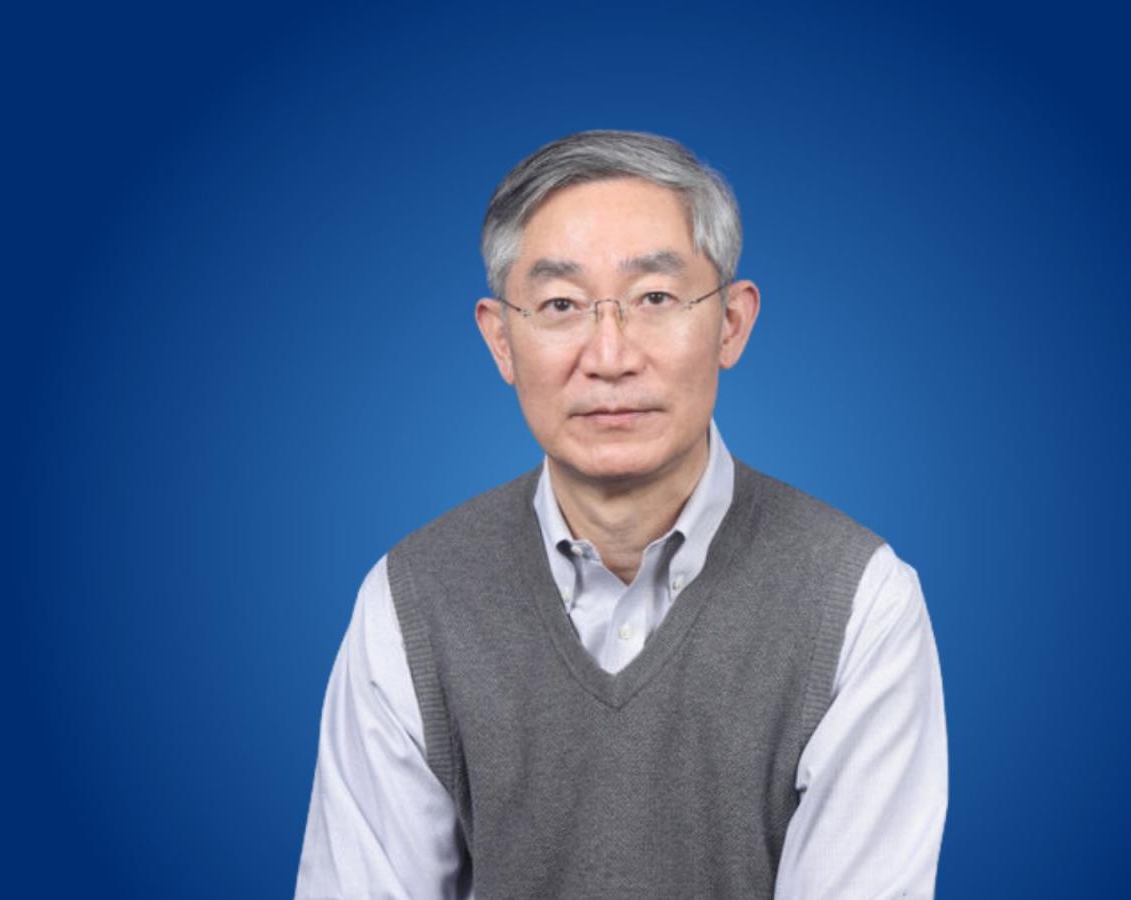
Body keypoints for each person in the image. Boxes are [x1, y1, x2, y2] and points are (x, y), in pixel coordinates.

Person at [294, 130, 948, 899]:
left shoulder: (860, 600)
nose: (610, 355)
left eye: (655, 299)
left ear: (732, 323)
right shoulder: (409, 602)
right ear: (501, 339)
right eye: (562, 304)